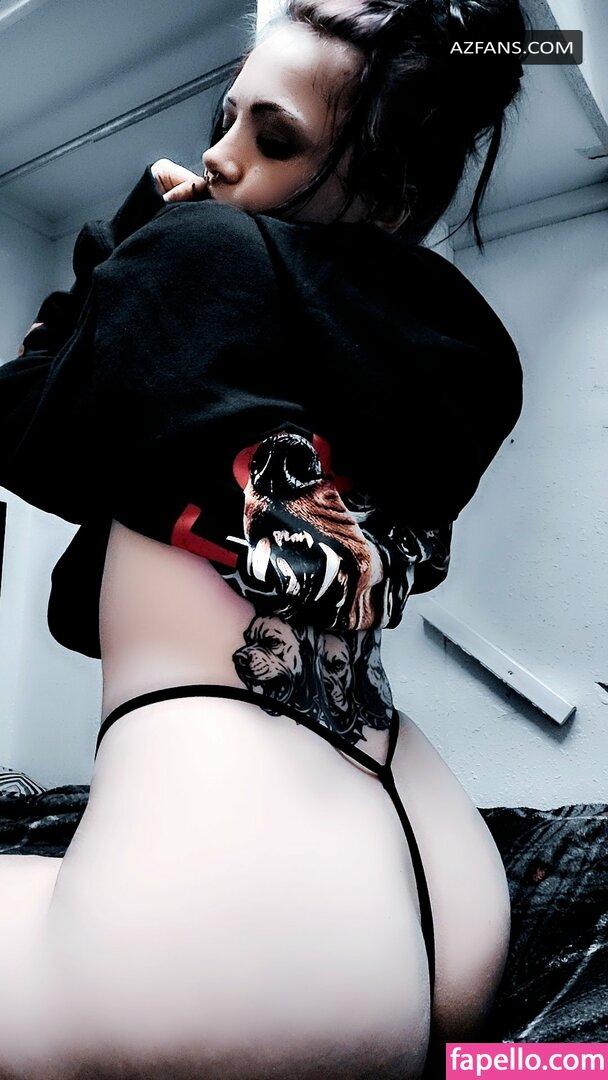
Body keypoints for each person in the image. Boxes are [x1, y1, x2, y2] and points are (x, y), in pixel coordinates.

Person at [0, 1, 527, 1076]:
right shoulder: (463, 343)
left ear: (386, 189)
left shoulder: (194, 248)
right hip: (442, 873)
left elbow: (21, 425)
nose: (217, 154)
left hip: (247, 907)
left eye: (271, 137)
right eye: (226, 117)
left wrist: (132, 240)